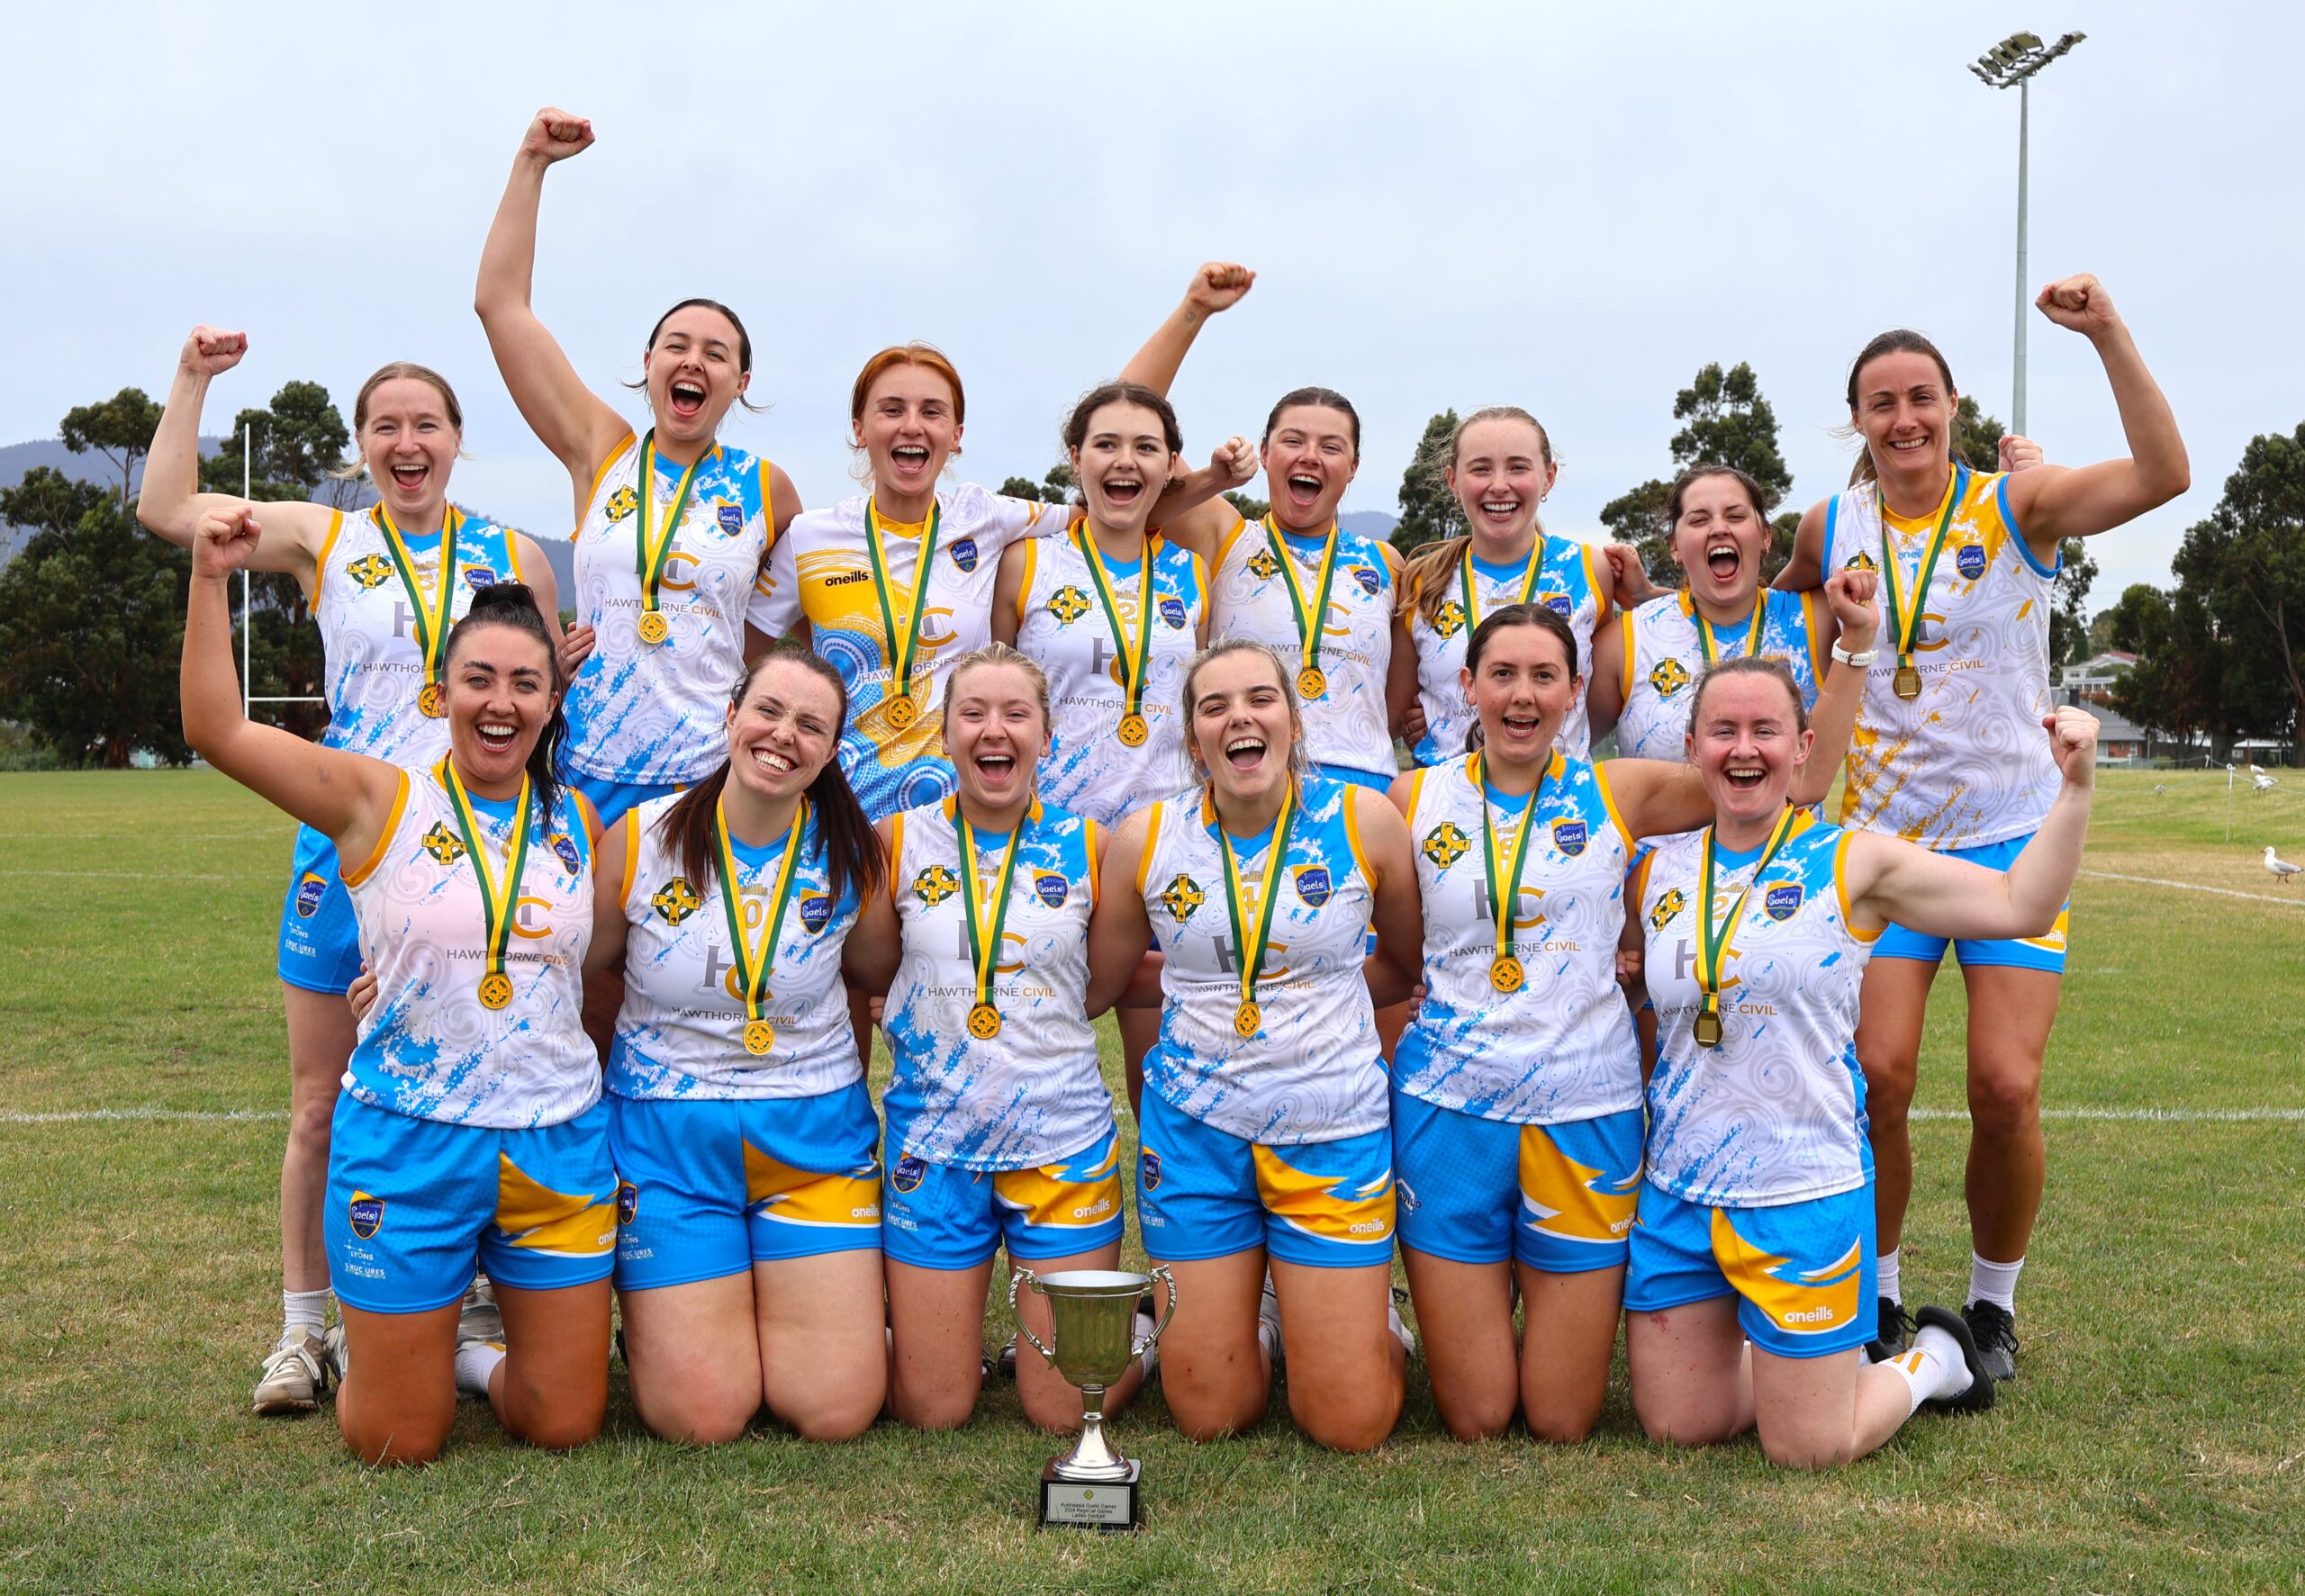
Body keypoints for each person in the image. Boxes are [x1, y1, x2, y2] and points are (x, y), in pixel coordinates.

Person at [138, 327, 560, 1418]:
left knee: (473, 1088)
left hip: (472, 865)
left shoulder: (515, 555)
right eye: (387, 425)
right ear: (362, 445)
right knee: (320, 1100)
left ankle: (465, 1306)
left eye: (427, 423)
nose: (406, 441)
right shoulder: (326, 537)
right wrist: (191, 383)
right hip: (349, 846)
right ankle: (303, 1330)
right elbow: (166, 511)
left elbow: (544, 709)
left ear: (459, 441)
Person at [1775, 274, 2187, 1377]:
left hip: (2008, 830)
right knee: (1877, 1079)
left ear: (1952, 406)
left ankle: (1993, 1308)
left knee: (2005, 1087)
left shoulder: (2014, 505)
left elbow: (2164, 475)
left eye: (1921, 398)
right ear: (1856, 420)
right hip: (1879, 847)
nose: (1903, 419)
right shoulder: (1831, 523)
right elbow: (1775, 609)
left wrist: (2105, 331)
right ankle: (1880, 1293)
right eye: (1881, 403)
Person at [1388, 582, 1874, 1444]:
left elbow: (1791, 775)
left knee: (1563, 1419)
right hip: (1448, 1111)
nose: (1523, 694)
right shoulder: (1406, 801)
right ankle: (1374, 1323)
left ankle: (1800, 1362)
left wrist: (1854, 653)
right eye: (1501, 673)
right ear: (1467, 684)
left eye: (1546, 675)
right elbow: (1360, 938)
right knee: (1475, 1417)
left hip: (1588, 1111)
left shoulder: (1620, 790)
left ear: (1577, 693)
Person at [182, 505, 611, 1465]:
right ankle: (389, 1344)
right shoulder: (376, 797)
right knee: (393, 1442)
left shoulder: (578, 818)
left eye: (525, 685)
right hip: (409, 1144)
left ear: (552, 702)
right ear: (444, 689)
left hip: (555, 1144)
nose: (500, 703)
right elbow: (213, 728)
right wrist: (210, 579)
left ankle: (469, 1354)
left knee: (563, 1421)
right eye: (479, 680)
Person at [1626, 656, 2102, 1466]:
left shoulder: (1856, 864)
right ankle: (1801, 1361)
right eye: (1725, 731)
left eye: (1767, 730)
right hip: (1679, 1194)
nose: (1746, 749)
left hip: (1803, 1191)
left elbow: (2022, 903)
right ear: (1693, 746)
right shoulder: (1653, 867)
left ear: (1803, 746)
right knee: (1680, 1425)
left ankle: (1932, 1363)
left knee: (1807, 1447)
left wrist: (2077, 789)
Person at [1088, 640, 1424, 1453]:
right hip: (1198, 1133)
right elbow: (1099, 983)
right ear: (1193, 737)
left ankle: (1363, 1318)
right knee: (1210, 1415)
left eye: (1260, 698)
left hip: (1330, 1128)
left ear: (1293, 718)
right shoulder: (1146, 836)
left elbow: (1403, 967)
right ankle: (1265, 1314)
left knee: (1348, 1424)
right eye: (1214, 706)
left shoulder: (1365, 821)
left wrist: (1306, 1013)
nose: (1240, 716)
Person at [752, 346, 1250, 825]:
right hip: (845, 813)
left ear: (957, 434)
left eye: (932, 412)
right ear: (860, 428)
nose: (912, 426)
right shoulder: (809, 538)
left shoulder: (986, 516)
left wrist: (1213, 480)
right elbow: (745, 657)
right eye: (891, 409)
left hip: (965, 818)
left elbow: (1113, 512)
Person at [845, 645, 1146, 1435]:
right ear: (943, 735)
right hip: (934, 1147)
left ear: (1047, 735)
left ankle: (1133, 1330)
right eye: (973, 713)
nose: (994, 730)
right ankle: (919, 1340)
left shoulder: (1094, 848)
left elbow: (1103, 988)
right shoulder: (895, 842)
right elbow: (876, 967)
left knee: (1060, 1408)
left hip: (1061, 1140)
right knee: (934, 1408)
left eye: (1016, 714)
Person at [592, 647, 889, 1443]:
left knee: (835, 1410)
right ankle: (684, 1320)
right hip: (669, 1148)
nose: (783, 735)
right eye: (768, 711)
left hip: (813, 1147)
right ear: (730, 718)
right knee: (701, 1416)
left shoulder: (854, 856)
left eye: (810, 725)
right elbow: (570, 967)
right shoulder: (639, 838)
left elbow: (879, 975)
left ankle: (820, 1311)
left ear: (830, 751)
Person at [475, 106, 801, 829]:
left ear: (741, 381)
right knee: (574, 946)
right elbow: (500, 307)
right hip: (588, 768)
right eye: (676, 345)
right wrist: (532, 162)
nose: (694, 361)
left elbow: (797, 624)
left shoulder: (767, 487)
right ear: (648, 365)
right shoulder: (603, 449)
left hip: (709, 779)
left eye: (717, 354)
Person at [995, 381, 1213, 1116]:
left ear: (1170, 464)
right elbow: (1000, 699)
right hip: (1053, 839)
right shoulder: (1027, 564)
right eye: (1107, 444)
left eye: (1146, 447)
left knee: (1168, 1072)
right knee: (1029, 1046)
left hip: (1164, 841)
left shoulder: (1192, 572)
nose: (1125, 461)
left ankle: (1173, 1215)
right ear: (1076, 458)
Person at [1390, 407, 1632, 765]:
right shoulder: (1423, 580)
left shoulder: (1588, 569)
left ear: (1548, 477)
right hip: (1447, 802)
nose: (1499, 484)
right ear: (1453, 481)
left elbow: (1593, 700)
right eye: (1481, 468)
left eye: (1518, 467)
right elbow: (1394, 709)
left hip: (1558, 802)